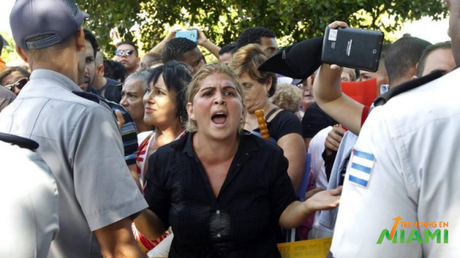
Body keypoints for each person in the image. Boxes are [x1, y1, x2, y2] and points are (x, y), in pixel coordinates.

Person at [137, 62, 341, 257]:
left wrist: (308, 205)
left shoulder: (267, 155)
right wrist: (130, 202)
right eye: (208, 93)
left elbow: (285, 213)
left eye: (229, 93)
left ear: (242, 109)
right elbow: (154, 230)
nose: (219, 99)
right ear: (191, 111)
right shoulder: (166, 160)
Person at [1, 0, 147, 257]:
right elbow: (118, 247)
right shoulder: (88, 116)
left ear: (21, 52)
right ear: (80, 37)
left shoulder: (6, 116)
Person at [328, 5, 460, 255]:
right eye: (439, 75)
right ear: (417, 75)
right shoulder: (391, 121)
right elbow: (329, 97)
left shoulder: (395, 123)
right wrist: (330, 60)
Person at [133, 61, 192, 255]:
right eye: (148, 91)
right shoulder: (141, 143)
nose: (148, 98)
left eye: (159, 92)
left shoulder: (192, 149)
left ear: (182, 101)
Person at [229, 44, 306, 191]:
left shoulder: (285, 122)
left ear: (268, 83)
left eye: (247, 86)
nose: (240, 94)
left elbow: (290, 183)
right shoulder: (231, 121)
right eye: (236, 87)